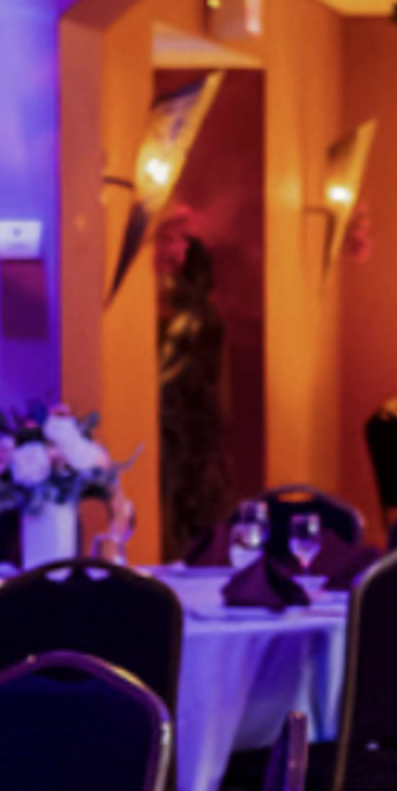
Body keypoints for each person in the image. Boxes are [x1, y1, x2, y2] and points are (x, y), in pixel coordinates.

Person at [157, 229, 231, 557]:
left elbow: (169, 370)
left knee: (187, 496)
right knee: (189, 498)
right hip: (195, 417)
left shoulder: (191, 321)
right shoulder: (199, 318)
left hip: (185, 418)